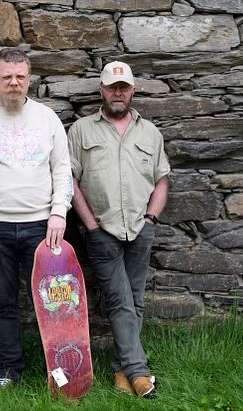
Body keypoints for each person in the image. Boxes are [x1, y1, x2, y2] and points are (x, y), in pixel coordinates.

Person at [0, 47, 73, 389]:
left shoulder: (47, 118)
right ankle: (10, 370)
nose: (14, 83)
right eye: (7, 77)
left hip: (42, 226)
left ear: (29, 78)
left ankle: (59, 368)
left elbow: (62, 169)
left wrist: (57, 213)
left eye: (20, 77)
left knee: (54, 303)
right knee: (4, 301)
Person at [68, 61, 169, 398]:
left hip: (141, 229)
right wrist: (91, 225)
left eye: (123, 87)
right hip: (102, 230)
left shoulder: (150, 133)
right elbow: (70, 180)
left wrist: (151, 219)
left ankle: (121, 371)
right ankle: (140, 374)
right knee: (119, 299)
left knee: (135, 301)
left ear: (132, 91)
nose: (118, 92)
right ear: (101, 90)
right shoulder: (82, 130)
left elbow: (161, 180)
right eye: (112, 87)